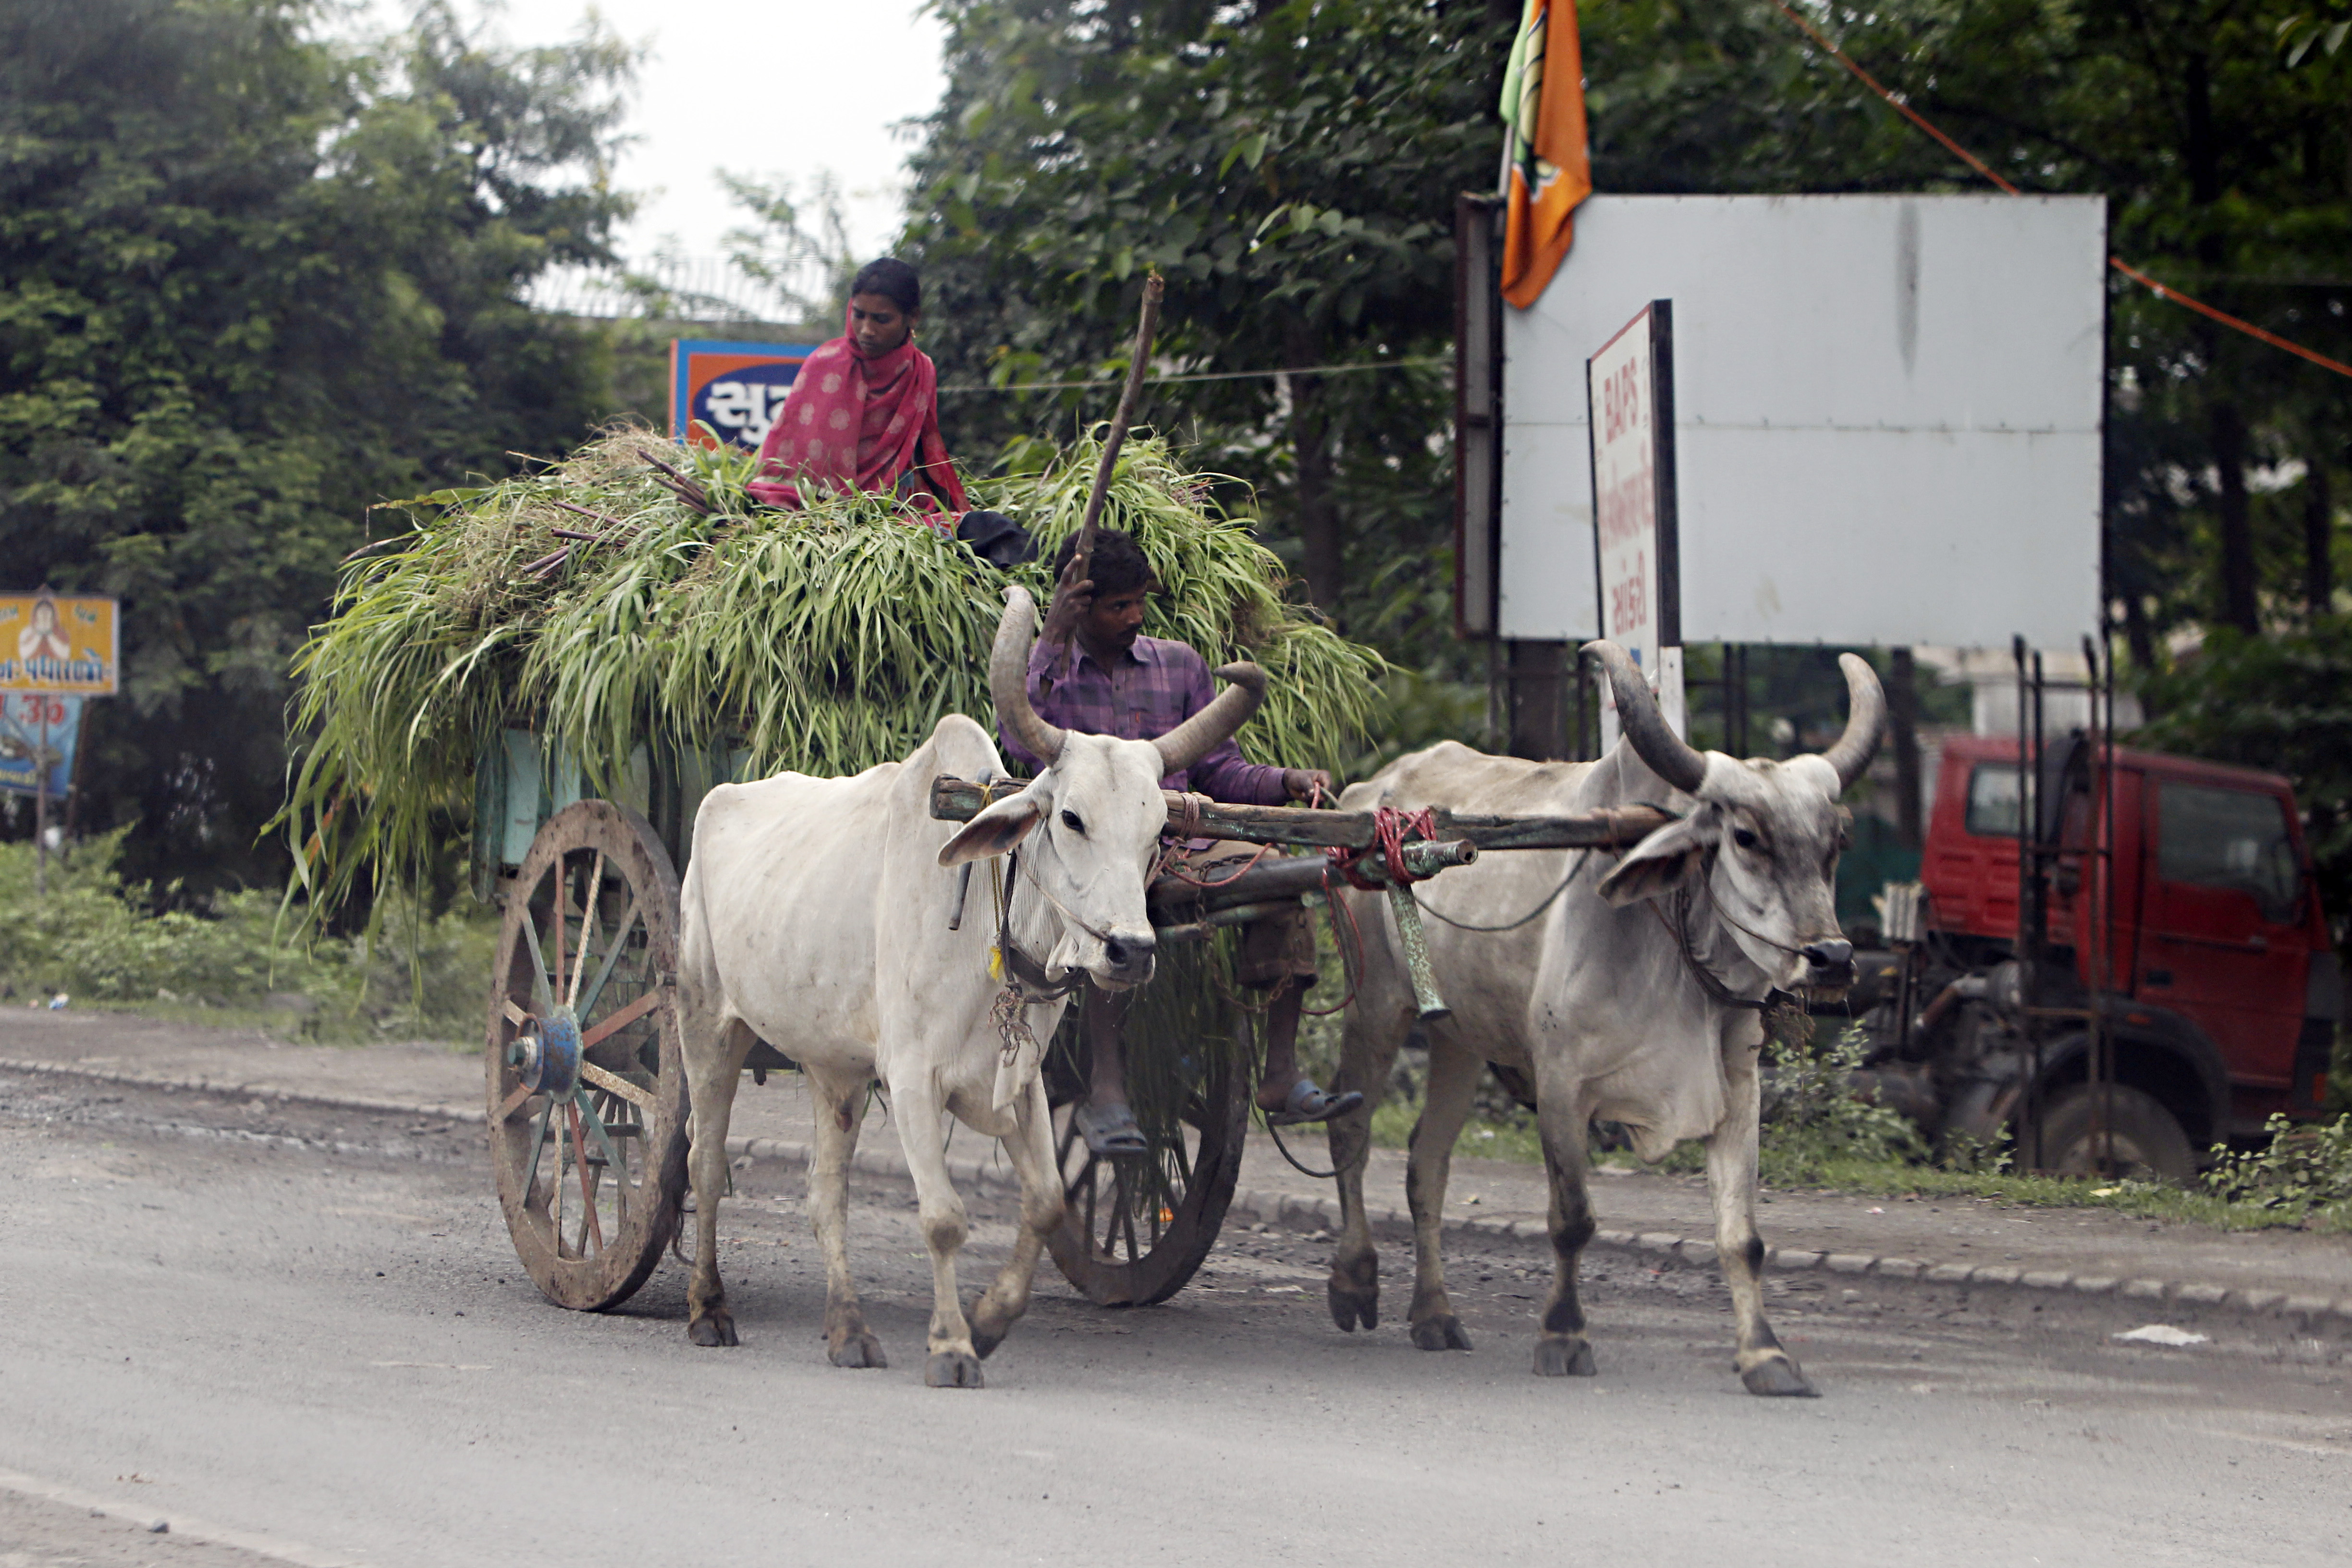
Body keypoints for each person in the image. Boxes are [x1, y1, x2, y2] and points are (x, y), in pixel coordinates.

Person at [1000, 528, 1364, 1157]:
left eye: (1141, 601)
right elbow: (1018, 742)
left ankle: (1281, 1072)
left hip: (1177, 838)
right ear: (1080, 607)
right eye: (1118, 606)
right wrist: (1050, 637)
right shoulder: (1050, 673)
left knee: (1282, 880)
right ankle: (1107, 1088)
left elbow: (1220, 771)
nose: (1135, 617)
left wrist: (1285, 782)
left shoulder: (1181, 666)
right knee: (1111, 906)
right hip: (1088, 847)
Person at [749, 258, 1031, 569]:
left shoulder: (920, 369)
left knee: (1001, 532)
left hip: (899, 516)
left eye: (881, 319)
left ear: (913, 318)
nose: (866, 330)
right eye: (859, 315)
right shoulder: (825, 364)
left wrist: (950, 509)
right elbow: (789, 469)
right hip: (824, 518)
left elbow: (925, 453)